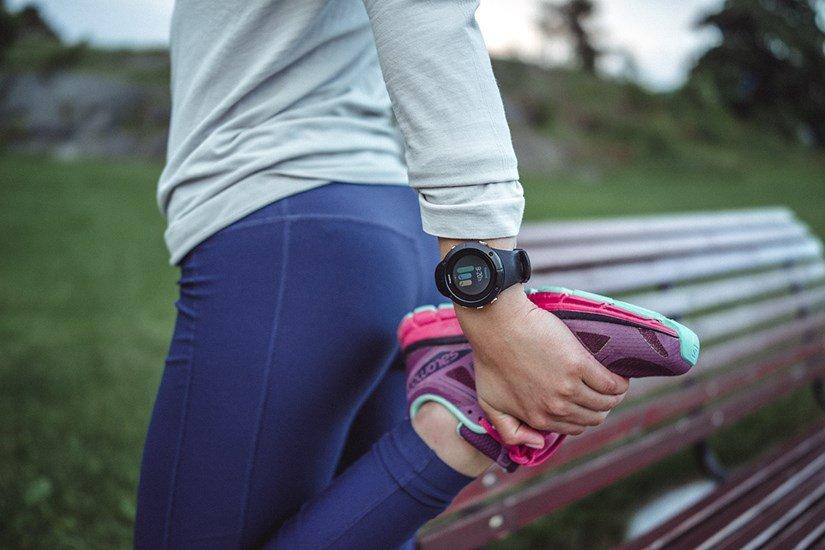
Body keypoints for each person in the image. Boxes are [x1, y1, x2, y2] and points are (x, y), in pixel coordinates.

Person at [134, 1, 629, 548]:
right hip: (383, 230)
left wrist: (495, 302)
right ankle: (444, 437)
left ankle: (451, 438)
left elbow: (428, 13)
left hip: (292, 235)